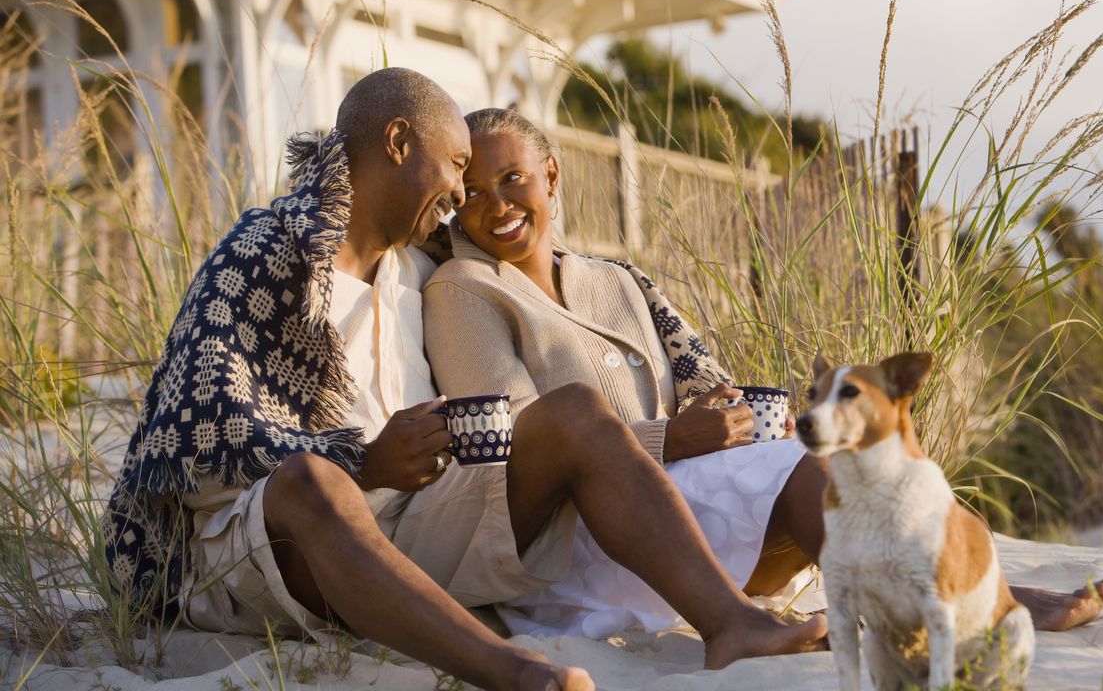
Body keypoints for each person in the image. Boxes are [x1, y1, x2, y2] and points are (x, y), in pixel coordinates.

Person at [101, 68, 825, 691]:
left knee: (572, 414)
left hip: (409, 525)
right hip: (266, 543)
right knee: (311, 483)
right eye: (454, 166)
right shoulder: (271, 250)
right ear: (396, 143)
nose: (458, 194)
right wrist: (364, 460)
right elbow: (187, 439)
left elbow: (519, 252)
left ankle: (732, 624)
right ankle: (512, 674)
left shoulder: (416, 270)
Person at [421, 107, 1103, 638]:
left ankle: (969, 592)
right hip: (583, 540)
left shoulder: (617, 279)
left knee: (831, 463)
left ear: (551, 176)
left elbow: (707, 378)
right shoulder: (463, 288)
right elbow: (519, 444)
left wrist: (723, 413)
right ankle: (962, 607)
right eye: (473, 193)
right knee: (803, 474)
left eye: (512, 178)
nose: (496, 205)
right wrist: (676, 439)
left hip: (686, 514)